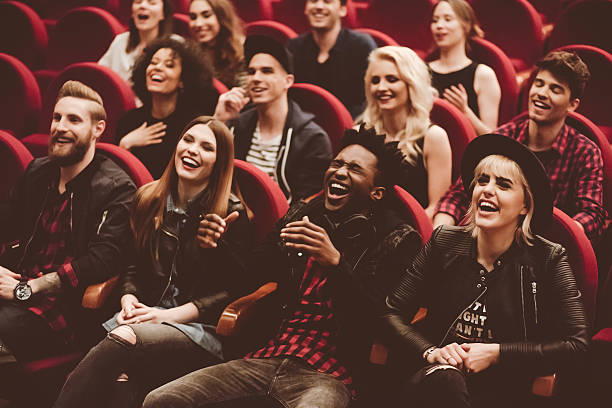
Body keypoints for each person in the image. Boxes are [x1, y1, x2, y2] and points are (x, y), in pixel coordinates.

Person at [140, 126, 423, 408]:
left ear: (376, 193)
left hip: (331, 374)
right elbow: (249, 279)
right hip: (270, 354)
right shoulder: (302, 214)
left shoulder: (398, 239)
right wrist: (218, 246)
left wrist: (336, 264)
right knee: (161, 399)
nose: (339, 172)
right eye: (336, 163)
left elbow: (381, 320)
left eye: (354, 168)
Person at [53, 116, 254, 408]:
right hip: (148, 316)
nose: (192, 150)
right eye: (187, 140)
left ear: (219, 163)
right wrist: (128, 297)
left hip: (199, 329)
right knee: (122, 377)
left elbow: (234, 291)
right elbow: (132, 265)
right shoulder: (149, 198)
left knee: (123, 339)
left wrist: (170, 316)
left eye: (206, 147)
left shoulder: (229, 213)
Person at [384, 133, 589, 407]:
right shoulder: (444, 241)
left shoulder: (548, 258)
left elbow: (576, 345)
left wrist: (498, 354)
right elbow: (390, 312)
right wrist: (430, 351)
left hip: (505, 389)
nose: (487, 190)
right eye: (482, 180)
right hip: (436, 380)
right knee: (446, 381)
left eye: (503, 185)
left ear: (525, 205)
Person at [0, 81, 135, 400]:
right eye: (56, 118)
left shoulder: (116, 188)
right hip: (16, 291)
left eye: (73, 120)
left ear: (97, 128)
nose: (60, 127)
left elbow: (101, 261)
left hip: (63, 313)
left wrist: (26, 289)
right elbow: (7, 225)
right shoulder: (39, 171)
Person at [433, 50, 605, 242]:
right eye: (538, 84)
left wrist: (554, 240)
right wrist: (440, 234)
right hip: (493, 246)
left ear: (572, 105)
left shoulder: (585, 151)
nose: (541, 93)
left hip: (546, 251)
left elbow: (591, 214)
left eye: (555, 89)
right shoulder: (502, 138)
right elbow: (456, 196)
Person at [214, 35, 332, 203]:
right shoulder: (236, 124)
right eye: (251, 72)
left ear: (288, 81)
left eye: (267, 71)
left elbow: (306, 206)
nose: (256, 78)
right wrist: (219, 120)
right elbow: (210, 177)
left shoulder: (312, 139)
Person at [360, 46, 452, 219]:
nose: (381, 87)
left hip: (411, 233)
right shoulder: (360, 132)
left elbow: (437, 208)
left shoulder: (434, 137)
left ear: (412, 84)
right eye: (375, 81)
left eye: (392, 79)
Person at [116, 36, 218, 179]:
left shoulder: (194, 126)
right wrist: (125, 145)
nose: (157, 67)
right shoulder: (128, 121)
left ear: (182, 80)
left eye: (169, 65)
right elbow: (114, 176)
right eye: (153, 63)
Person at [287, 0, 377, 118]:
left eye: (327, 1)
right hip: (304, 128)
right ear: (306, 8)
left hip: (352, 127)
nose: (319, 6)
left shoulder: (361, 46)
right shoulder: (294, 47)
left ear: (342, 10)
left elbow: (370, 100)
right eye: (313, 1)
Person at [428, 0, 501, 135]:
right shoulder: (422, 71)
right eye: (435, 20)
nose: (439, 25)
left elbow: (491, 138)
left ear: (466, 26)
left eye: (448, 19)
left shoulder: (483, 74)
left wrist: (464, 112)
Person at [99, 0, 174, 84]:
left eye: (151, 2)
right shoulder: (120, 41)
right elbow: (100, 76)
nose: (142, 6)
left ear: (163, 13)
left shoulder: (175, 45)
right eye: (138, 2)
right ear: (132, 13)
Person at [188, 0, 245, 88]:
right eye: (193, 17)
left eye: (206, 16)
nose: (198, 23)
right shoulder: (192, 53)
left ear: (222, 17)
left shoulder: (242, 52)